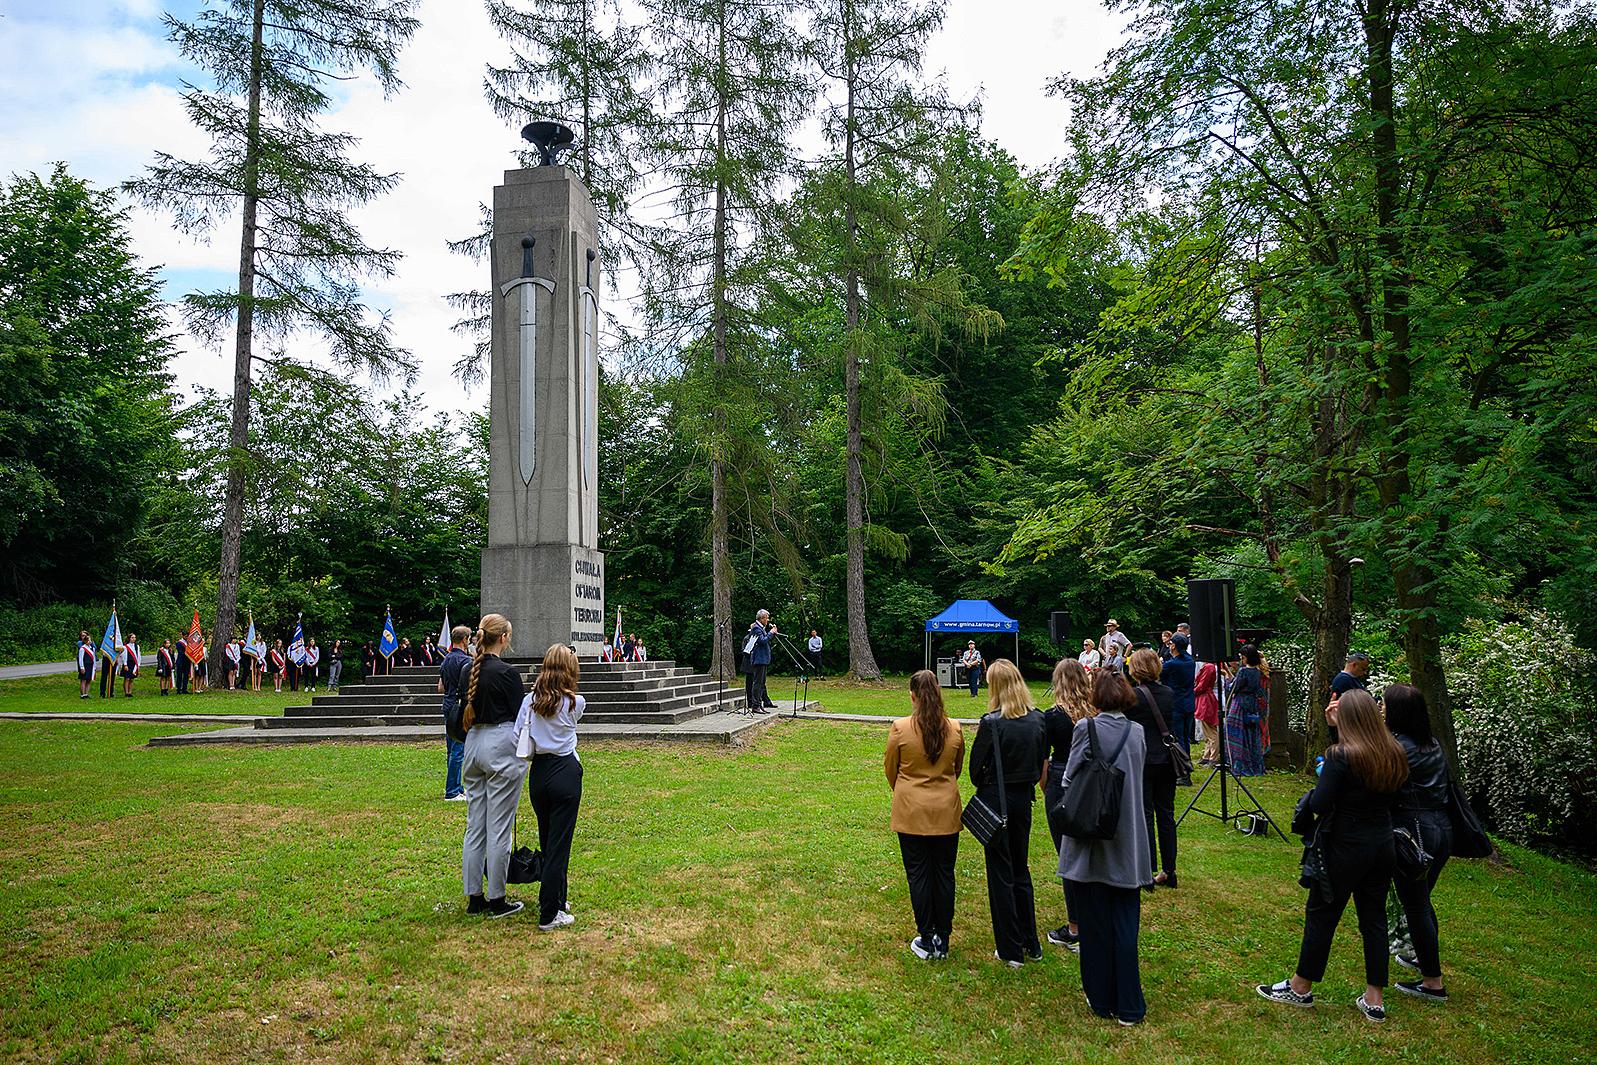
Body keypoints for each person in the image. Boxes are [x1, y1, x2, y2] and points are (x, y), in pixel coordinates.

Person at [1258, 689, 1408, 1023]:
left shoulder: (1341, 756)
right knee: (1373, 918)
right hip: (1381, 843)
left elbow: (1320, 803)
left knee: (1323, 913)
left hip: (1344, 845)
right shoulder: (1393, 752)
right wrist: (1333, 732)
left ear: (1348, 720)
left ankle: (1300, 986)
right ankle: (1375, 997)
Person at [1061, 670, 1151, 1026]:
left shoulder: (1086, 728)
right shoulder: (1138, 732)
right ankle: (1129, 1004)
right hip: (1128, 835)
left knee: (1095, 923)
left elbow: (1069, 777)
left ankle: (1100, 997)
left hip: (1093, 835)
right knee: (1126, 924)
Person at [968, 659, 1048, 968]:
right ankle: (1031, 941)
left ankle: (1010, 948)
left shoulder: (992, 723)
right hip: (1023, 799)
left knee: (1001, 873)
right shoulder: (1038, 719)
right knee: (1020, 869)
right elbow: (1041, 762)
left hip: (997, 801)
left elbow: (975, 770)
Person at [885, 670, 965, 960]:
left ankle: (928, 936)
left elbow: (891, 769)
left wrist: (907, 790)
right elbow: (956, 768)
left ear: (913, 696)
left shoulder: (901, 728)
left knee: (918, 874)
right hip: (945, 809)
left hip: (912, 810)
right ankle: (942, 937)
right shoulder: (954, 728)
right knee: (944, 873)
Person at [1384, 683, 1453, 1002]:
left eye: (1385, 704)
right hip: (1441, 829)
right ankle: (1423, 958)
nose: (1381, 709)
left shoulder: (1400, 748)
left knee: (1416, 904)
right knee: (1422, 900)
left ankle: (1433, 983)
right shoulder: (1432, 744)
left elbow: (1382, 787)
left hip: (1414, 833)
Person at [457, 613, 529, 919]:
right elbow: (520, 715)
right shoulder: (507, 673)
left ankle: (474, 897)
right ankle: (497, 898)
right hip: (500, 743)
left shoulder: (468, 670)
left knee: (476, 825)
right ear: (503, 638)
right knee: (499, 827)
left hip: (473, 743)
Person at [520, 643, 586, 931]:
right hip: (565, 770)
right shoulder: (575, 702)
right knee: (560, 844)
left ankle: (557, 897)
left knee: (548, 839)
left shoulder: (530, 701)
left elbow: (517, 735)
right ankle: (549, 912)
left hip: (539, 771)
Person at [1042, 658, 1096, 951]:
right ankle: (1093, 916)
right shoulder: (1096, 711)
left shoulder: (1054, 717)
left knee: (1067, 853)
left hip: (1062, 780)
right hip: (1092, 783)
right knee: (1090, 852)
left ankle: (1075, 927)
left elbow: (1043, 761)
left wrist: (1047, 785)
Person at [1126, 649, 1178, 889]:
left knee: (1145, 814)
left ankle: (1146, 871)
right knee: (1166, 814)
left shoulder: (1133, 696)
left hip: (1143, 759)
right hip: (1166, 759)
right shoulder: (1168, 693)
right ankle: (1169, 869)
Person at [438, 625, 473, 802]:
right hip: (460, 705)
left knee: (451, 748)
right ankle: (452, 791)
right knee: (458, 749)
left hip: (447, 703)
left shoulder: (446, 659)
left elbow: (440, 687)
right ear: (465, 639)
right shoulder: (466, 661)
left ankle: (456, 786)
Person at [1227, 645, 1267, 776]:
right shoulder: (1258, 672)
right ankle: (1255, 764)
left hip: (1240, 704)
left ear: (1245, 657)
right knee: (1251, 734)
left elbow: (1234, 687)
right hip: (1252, 703)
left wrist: (1227, 679)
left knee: (1237, 733)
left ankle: (1240, 764)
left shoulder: (1243, 671)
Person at [1161, 633, 1197, 748]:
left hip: (1176, 704)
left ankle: (1182, 758)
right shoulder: (1191, 660)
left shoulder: (1172, 664)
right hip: (1189, 702)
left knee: (1178, 737)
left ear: (1173, 646)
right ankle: (1187, 757)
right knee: (1186, 737)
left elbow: (1158, 674)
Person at [744, 609, 777, 713]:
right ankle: (755, 705)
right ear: (762, 618)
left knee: (762, 683)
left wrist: (772, 634)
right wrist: (771, 633)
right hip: (759, 659)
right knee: (757, 683)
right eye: (767, 618)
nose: (768, 620)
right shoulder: (756, 628)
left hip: (763, 659)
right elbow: (762, 641)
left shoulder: (760, 628)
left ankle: (759, 704)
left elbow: (765, 639)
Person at [1195, 658, 1220, 766]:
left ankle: (1213, 757)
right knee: (1207, 730)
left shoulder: (1209, 666)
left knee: (1210, 730)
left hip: (1206, 699)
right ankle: (1207, 755)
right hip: (1206, 698)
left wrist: (1191, 692)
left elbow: (1202, 686)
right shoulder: (1209, 666)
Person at [76, 632, 95, 699]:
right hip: (85, 665)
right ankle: (82, 694)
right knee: (83, 680)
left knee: (88, 680)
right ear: (86, 641)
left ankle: (86, 693)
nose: (90, 641)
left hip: (90, 665)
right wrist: (82, 667)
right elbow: (80, 659)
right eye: (89, 640)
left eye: (90, 640)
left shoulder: (92, 648)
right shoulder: (82, 648)